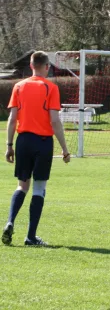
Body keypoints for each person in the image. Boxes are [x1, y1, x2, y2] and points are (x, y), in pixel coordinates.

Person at [2, 51, 70, 247]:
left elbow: (12, 119)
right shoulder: (51, 88)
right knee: (39, 188)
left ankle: (9, 222)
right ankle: (31, 237)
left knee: (22, 185)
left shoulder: (19, 86)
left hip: (22, 141)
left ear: (31, 65)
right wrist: (65, 149)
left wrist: (9, 145)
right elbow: (55, 121)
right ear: (47, 66)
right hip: (42, 143)